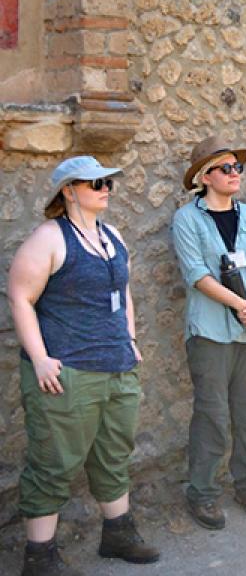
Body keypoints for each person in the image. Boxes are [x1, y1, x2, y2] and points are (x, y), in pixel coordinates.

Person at [8, 156, 159, 575]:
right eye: (94, 183)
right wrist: (39, 359)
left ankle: (118, 532)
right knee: (54, 461)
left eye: (107, 181)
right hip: (68, 371)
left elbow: (121, 291)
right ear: (68, 191)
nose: (104, 188)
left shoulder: (112, 235)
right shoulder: (49, 238)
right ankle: (38, 558)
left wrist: (129, 339)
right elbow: (20, 296)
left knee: (114, 452)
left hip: (117, 366)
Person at [172, 136, 246, 530]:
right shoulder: (187, 219)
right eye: (226, 168)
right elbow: (196, 274)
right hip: (211, 331)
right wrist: (237, 304)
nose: (235, 174)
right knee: (212, 414)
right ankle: (203, 493)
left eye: (237, 168)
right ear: (204, 177)